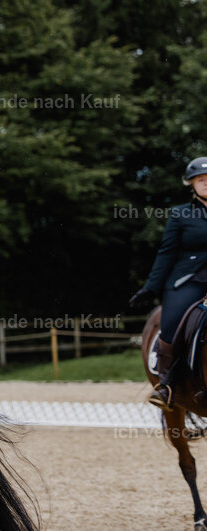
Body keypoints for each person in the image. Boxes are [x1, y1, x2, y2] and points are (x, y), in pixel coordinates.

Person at [130, 157, 207, 410]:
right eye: (201, 180)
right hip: (190, 279)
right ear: (191, 184)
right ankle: (167, 384)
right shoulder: (180, 214)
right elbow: (166, 253)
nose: (206, 184)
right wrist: (151, 286)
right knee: (172, 324)